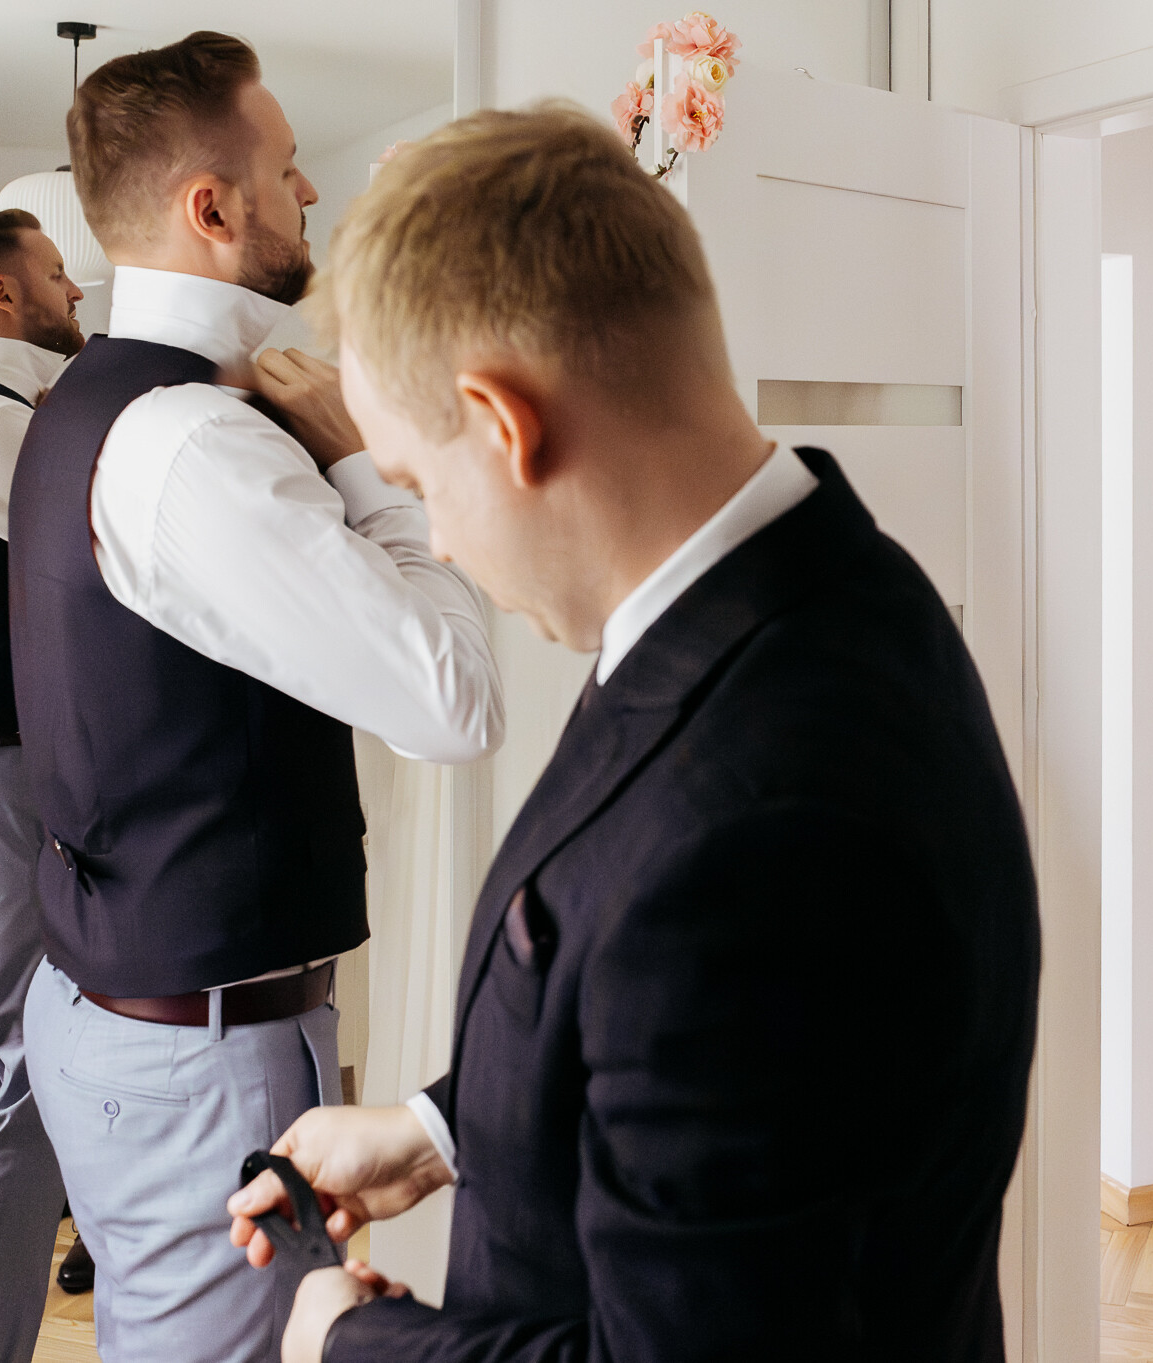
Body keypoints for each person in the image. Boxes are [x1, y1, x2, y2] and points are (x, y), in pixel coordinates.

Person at [226, 105, 1043, 1363]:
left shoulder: (760, 827)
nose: (437, 538)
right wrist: (442, 1131)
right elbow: (693, 1054)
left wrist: (350, 1341)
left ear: (504, 424)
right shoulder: (817, 588)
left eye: (421, 485)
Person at [7, 32, 503, 1363]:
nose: (313, 191)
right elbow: (452, 699)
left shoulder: (89, 399)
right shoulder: (199, 442)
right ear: (212, 209)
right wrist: (367, 469)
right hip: (195, 1061)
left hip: (126, 1015)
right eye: (288, 169)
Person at [0, 207, 84, 1361]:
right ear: (2, 293)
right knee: (33, 1053)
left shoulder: (1, 413)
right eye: (54, 270)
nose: (74, 288)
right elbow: (86, 551)